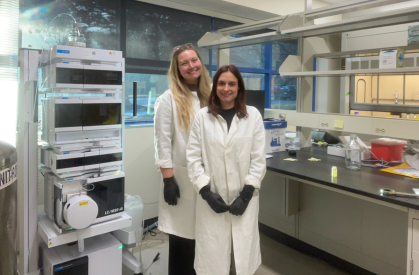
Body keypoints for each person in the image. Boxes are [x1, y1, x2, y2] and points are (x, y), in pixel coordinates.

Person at [187, 64, 266, 275]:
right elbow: (193, 159)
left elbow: (258, 160)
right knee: (212, 257)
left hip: (245, 197)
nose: (226, 88)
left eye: (232, 83)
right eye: (221, 83)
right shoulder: (202, 117)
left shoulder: (253, 116)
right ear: (215, 87)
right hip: (212, 196)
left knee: (243, 254)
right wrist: (206, 192)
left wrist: (247, 194)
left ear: (239, 88)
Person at [154, 43, 211, 275]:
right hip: (182, 179)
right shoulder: (168, 99)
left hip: (209, 177)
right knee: (183, 240)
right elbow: (162, 141)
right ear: (177, 69)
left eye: (194, 60)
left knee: (207, 237)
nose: (191, 66)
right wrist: (168, 179)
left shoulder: (211, 95)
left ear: (201, 63)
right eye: (184, 63)